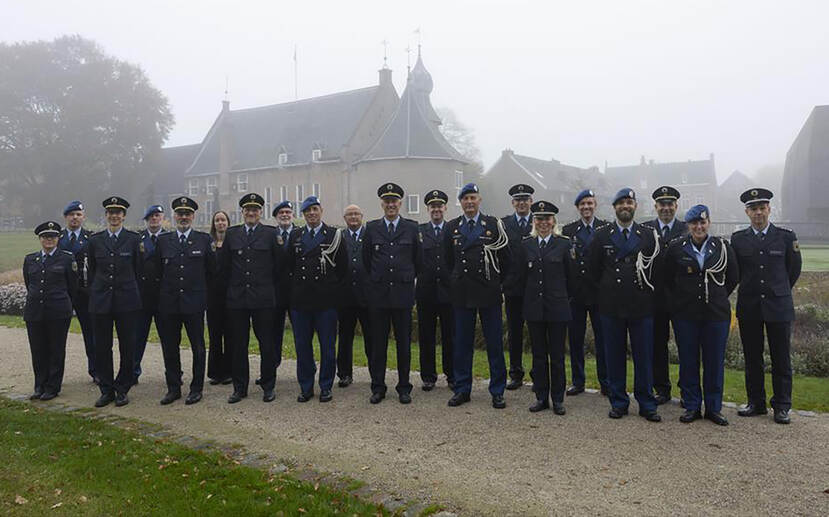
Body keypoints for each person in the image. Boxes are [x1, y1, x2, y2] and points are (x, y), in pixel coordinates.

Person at [587, 188, 661, 422]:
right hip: (612, 306)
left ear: (635, 206)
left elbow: (657, 271)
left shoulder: (649, 235)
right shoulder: (601, 235)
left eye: (629, 202)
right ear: (614, 208)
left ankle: (647, 403)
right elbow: (592, 272)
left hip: (641, 305)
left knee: (644, 357)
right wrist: (605, 293)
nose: (625, 206)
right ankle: (618, 402)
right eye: (621, 203)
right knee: (614, 356)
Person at [731, 188, 802, 424]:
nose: (758, 213)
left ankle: (782, 406)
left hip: (778, 305)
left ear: (769, 209)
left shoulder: (785, 237)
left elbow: (793, 270)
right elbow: (736, 272)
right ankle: (756, 402)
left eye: (762, 208)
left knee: (781, 358)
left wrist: (778, 289)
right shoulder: (738, 239)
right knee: (752, 358)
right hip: (750, 305)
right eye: (753, 209)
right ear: (747, 212)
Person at [663, 205, 739, 425]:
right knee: (688, 361)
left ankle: (714, 408)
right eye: (694, 223)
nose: (698, 227)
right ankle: (692, 405)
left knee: (714, 362)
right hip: (686, 314)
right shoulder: (677, 248)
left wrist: (716, 296)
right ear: (688, 225)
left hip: (715, 314)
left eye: (702, 222)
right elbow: (668, 279)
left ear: (708, 223)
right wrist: (679, 302)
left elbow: (733, 276)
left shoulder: (723, 247)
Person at [444, 183, 510, 409]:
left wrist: (498, 285)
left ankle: (497, 390)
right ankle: (462, 389)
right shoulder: (452, 227)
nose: (469, 202)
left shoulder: (493, 225)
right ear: (460, 203)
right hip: (462, 294)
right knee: (462, 344)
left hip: (488, 293)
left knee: (494, 344)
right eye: (465, 199)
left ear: (479, 200)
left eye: (473, 198)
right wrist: (454, 282)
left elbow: (506, 260)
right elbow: (447, 261)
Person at [363, 183, 421, 404]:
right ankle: (378, 387)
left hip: (403, 295)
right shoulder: (372, 228)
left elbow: (418, 261)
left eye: (394, 201)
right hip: (378, 296)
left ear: (400, 203)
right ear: (382, 204)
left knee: (403, 345)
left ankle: (404, 387)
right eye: (387, 201)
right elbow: (368, 261)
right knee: (378, 345)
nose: (391, 205)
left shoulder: (411, 228)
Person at [155, 197, 217, 405]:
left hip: (194, 303)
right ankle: (173, 388)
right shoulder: (164, 240)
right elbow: (157, 273)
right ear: (174, 216)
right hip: (169, 303)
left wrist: (204, 298)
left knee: (198, 347)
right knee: (169, 347)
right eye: (180, 214)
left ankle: (196, 388)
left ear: (193, 216)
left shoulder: (203, 240)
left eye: (187, 214)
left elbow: (211, 272)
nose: (183, 217)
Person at [223, 193, 283, 404]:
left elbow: (279, 267)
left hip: (263, 299)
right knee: (238, 345)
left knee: (267, 344)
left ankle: (268, 386)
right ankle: (240, 388)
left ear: (260, 212)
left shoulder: (271, 234)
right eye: (248, 210)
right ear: (243, 212)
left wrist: (270, 292)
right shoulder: (232, 234)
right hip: (238, 299)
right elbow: (225, 267)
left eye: (255, 209)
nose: (251, 213)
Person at [286, 196, 347, 402]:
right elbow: (288, 267)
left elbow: (342, 269)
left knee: (328, 347)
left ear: (321, 210)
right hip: (300, 302)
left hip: (325, 302)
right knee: (303, 347)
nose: (311, 213)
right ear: (303, 215)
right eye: (307, 211)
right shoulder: (295, 235)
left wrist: (332, 292)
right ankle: (306, 386)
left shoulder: (334, 234)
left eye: (314, 209)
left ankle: (326, 385)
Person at [517, 202, 572, 415]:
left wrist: (564, 300)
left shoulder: (564, 245)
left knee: (557, 357)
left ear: (554, 222)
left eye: (547, 219)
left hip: (557, 308)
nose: (543, 223)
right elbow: (521, 278)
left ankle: (558, 399)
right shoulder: (526, 245)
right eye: (539, 219)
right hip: (534, 309)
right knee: (539, 356)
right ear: (534, 222)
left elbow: (572, 279)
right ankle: (541, 397)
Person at [87, 196, 142, 407]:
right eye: (111, 212)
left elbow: (138, 271)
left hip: (126, 301)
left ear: (124, 216)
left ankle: (122, 388)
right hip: (101, 301)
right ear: (106, 215)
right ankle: (106, 389)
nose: (114, 216)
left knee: (127, 347)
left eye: (118, 213)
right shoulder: (95, 240)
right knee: (102, 347)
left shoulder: (133, 239)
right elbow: (92, 271)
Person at [23, 221, 78, 400]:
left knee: (56, 350)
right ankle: (39, 385)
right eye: (45, 237)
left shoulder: (67, 258)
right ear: (40, 239)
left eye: (53, 237)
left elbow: (72, 286)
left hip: (58, 311)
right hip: (35, 311)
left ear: (58, 238)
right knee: (38, 349)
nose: (49, 240)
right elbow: (28, 283)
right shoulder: (30, 259)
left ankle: (53, 387)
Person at [561, 189, 609, 396]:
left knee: (603, 340)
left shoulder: (605, 228)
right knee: (575, 339)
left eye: (590, 203)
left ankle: (605, 381)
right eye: (582, 204)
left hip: (599, 294)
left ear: (595, 205)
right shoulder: (569, 230)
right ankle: (578, 381)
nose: (586, 207)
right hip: (576, 293)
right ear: (578, 208)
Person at [644, 186, 688, 404]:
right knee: (657, 345)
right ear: (656, 207)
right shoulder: (645, 229)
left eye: (670, 204)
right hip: (655, 299)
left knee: (686, 346)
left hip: (682, 299)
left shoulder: (687, 229)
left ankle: (687, 390)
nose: (666, 208)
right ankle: (661, 388)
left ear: (676, 206)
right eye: (662, 204)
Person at [416, 190, 454, 391]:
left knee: (450, 336)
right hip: (426, 293)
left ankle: (452, 375)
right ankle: (428, 376)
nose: (436, 209)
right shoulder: (420, 231)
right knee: (426, 336)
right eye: (433, 206)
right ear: (428, 209)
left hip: (448, 293)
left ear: (445, 208)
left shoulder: (452, 230)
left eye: (440, 206)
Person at [58, 200, 96, 384]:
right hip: (63, 293)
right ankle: (55, 375)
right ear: (66, 217)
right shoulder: (57, 237)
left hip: (84, 292)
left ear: (83, 217)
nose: (75, 217)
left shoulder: (91, 238)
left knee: (92, 333)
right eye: (71, 214)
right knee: (57, 336)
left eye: (78, 214)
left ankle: (96, 371)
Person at [501, 184, 534, 390]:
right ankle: (515, 373)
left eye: (525, 199)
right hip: (513, 287)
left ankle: (538, 373)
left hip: (534, 287)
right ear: (513, 203)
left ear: (531, 202)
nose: (522, 203)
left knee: (536, 332)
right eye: (518, 200)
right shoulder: (503, 224)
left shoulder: (539, 221)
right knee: (514, 332)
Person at [337, 204, 372, 388]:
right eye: (349, 214)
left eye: (356, 214)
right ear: (345, 218)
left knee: (371, 338)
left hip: (367, 296)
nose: (353, 217)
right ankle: (344, 374)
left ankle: (375, 372)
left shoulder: (370, 235)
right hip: (345, 296)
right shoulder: (339, 237)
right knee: (344, 338)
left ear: (362, 216)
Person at [134, 204, 167, 384]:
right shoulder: (138, 239)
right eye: (151, 217)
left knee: (167, 338)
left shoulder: (170, 238)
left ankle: (172, 372)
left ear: (162, 218)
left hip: (163, 296)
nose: (154, 219)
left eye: (157, 216)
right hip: (143, 296)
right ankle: (133, 371)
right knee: (138, 337)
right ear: (146, 220)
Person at [207, 210, 232, 385]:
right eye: (217, 220)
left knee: (230, 335)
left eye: (223, 220)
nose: (220, 223)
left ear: (228, 223)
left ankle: (229, 371)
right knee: (215, 335)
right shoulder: (208, 243)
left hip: (230, 295)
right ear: (213, 224)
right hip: (212, 296)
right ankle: (215, 372)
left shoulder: (233, 242)